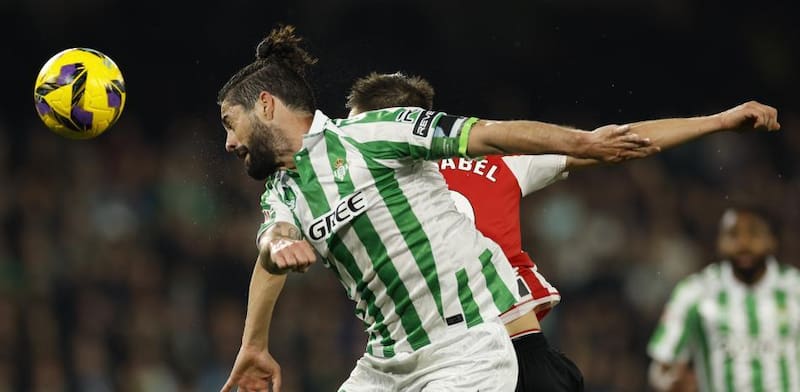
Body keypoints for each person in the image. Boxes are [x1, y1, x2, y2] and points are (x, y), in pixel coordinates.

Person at [217, 25, 661, 392]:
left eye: (230, 123)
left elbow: (491, 135)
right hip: (386, 365)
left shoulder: (374, 134)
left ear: (265, 105)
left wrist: (584, 142)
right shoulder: (284, 188)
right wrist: (254, 342)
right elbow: (273, 240)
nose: (229, 142)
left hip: (463, 349)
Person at [346, 72, 781, 391]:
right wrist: (718, 122)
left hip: (454, 359)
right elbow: (620, 143)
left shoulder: (356, 188)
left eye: (353, 126)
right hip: (516, 351)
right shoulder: (498, 157)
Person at [648, 206, 800, 391]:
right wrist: (669, 383)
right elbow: (661, 366)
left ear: (772, 240)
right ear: (719, 241)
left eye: (753, 234)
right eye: (733, 234)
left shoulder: (795, 290)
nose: (743, 243)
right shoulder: (695, 293)